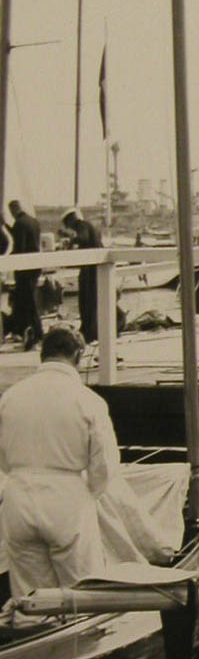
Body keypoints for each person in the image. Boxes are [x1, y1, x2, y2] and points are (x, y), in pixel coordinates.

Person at [0, 324, 120, 597]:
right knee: (82, 592)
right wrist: (89, 493)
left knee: (30, 598)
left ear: (42, 354)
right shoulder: (88, 401)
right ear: (78, 355)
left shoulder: (10, 397)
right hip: (66, 497)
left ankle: (34, 624)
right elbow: (104, 464)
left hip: (18, 496)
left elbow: (2, 458)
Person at [60, 207, 102, 344]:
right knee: (92, 300)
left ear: (71, 220)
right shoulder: (90, 226)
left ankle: (89, 332)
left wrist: (71, 237)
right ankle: (92, 330)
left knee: (86, 300)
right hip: (96, 267)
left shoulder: (81, 225)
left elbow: (83, 238)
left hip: (90, 268)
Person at [7, 200, 43, 350]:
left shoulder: (19, 224)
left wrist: (8, 261)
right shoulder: (33, 221)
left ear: (13, 210)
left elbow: (19, 246)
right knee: (27, 301)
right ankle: (25, 333)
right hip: (35, 266)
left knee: (27, 302)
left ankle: (36, 335)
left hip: (24, 268)